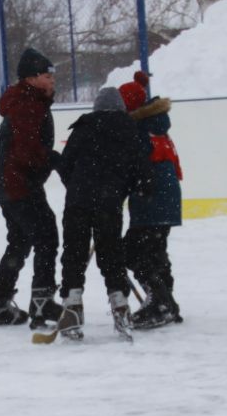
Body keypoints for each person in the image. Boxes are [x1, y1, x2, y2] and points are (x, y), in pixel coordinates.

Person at [44, 85, 149, 343]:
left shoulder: (83, 126)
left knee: (74, 254)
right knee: (111, 254)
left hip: (78, 201)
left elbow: (66, 167)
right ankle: (121, 306)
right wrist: (120, 190)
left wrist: (79, 185)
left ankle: (72, 307)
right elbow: (141, 174)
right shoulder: (130, 130)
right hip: (109, 204)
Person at [0, 47, 61, 330]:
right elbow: (28, 150)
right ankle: (42, 300)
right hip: (19, 182)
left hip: (10, 181)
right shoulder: (28, 105)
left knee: (20, 241)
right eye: (46, 75)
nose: (52, 80)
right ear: (31, 78)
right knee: (46, 236)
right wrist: (56, 160)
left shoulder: (27, 101)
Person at [119, 70, 183, 328]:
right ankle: (167, 302)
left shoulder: (138, 130)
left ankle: (160, 302)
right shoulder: (155, 123)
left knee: (132, 252)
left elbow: (134, 169)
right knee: (156, 253)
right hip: (166, 200)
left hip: (151, 200)